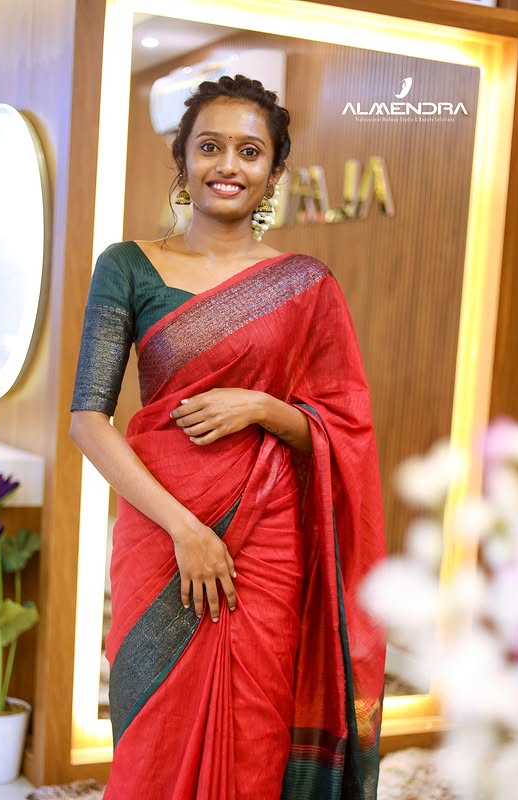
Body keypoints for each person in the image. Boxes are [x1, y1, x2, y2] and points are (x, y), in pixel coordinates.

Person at [70, 74, 386, 800]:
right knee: (153, 732)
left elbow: (344, 430)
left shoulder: (306, 285)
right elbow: (88, 420)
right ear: (181, 158)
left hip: (266, 543)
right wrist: (185, 530)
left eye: (250, 151)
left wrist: (264, 408)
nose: (228, 165)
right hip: (161, 532)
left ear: (274, 172)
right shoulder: (128, 265)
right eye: (210, 146)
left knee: (255, 724)